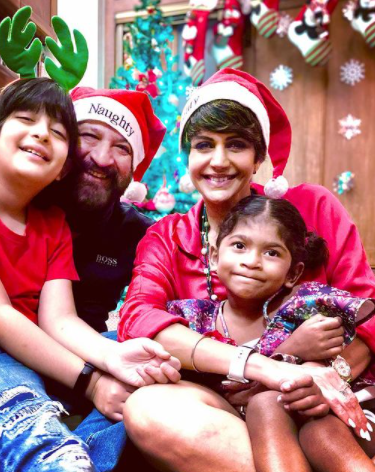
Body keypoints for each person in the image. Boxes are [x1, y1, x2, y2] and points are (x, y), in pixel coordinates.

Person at [0, 77, 180, 472]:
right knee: (41, 443)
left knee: (147, 371)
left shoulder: (54, 224)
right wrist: (92, 382)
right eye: (26, 119)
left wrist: (114, 356)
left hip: (38, 359)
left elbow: (59, 318)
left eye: (57, 132)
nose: (42, 134)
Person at [118, 68, 375, 472]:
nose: (218, 161)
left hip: (329, 401)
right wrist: (264, 367)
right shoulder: (167, 237)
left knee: (312, 428)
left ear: (259, 158)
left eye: (236, 144)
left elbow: (368, 311)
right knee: (147, 409)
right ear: (189, 157)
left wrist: (328, 374)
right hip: (229, 410)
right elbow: (138, 319)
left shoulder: (312, 207)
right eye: (204, 145)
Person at [168, 194, 375, 472]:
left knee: (316, 431)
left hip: (343, 413)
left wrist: (316, 368)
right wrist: (290, 350)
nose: (252, 261)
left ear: (292, 274)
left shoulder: (304, 305)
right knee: (267, 403)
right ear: (214, 257)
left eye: (272, 253)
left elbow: (361, 320)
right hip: (258, 424)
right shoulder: (193, 319)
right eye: (239, 246)